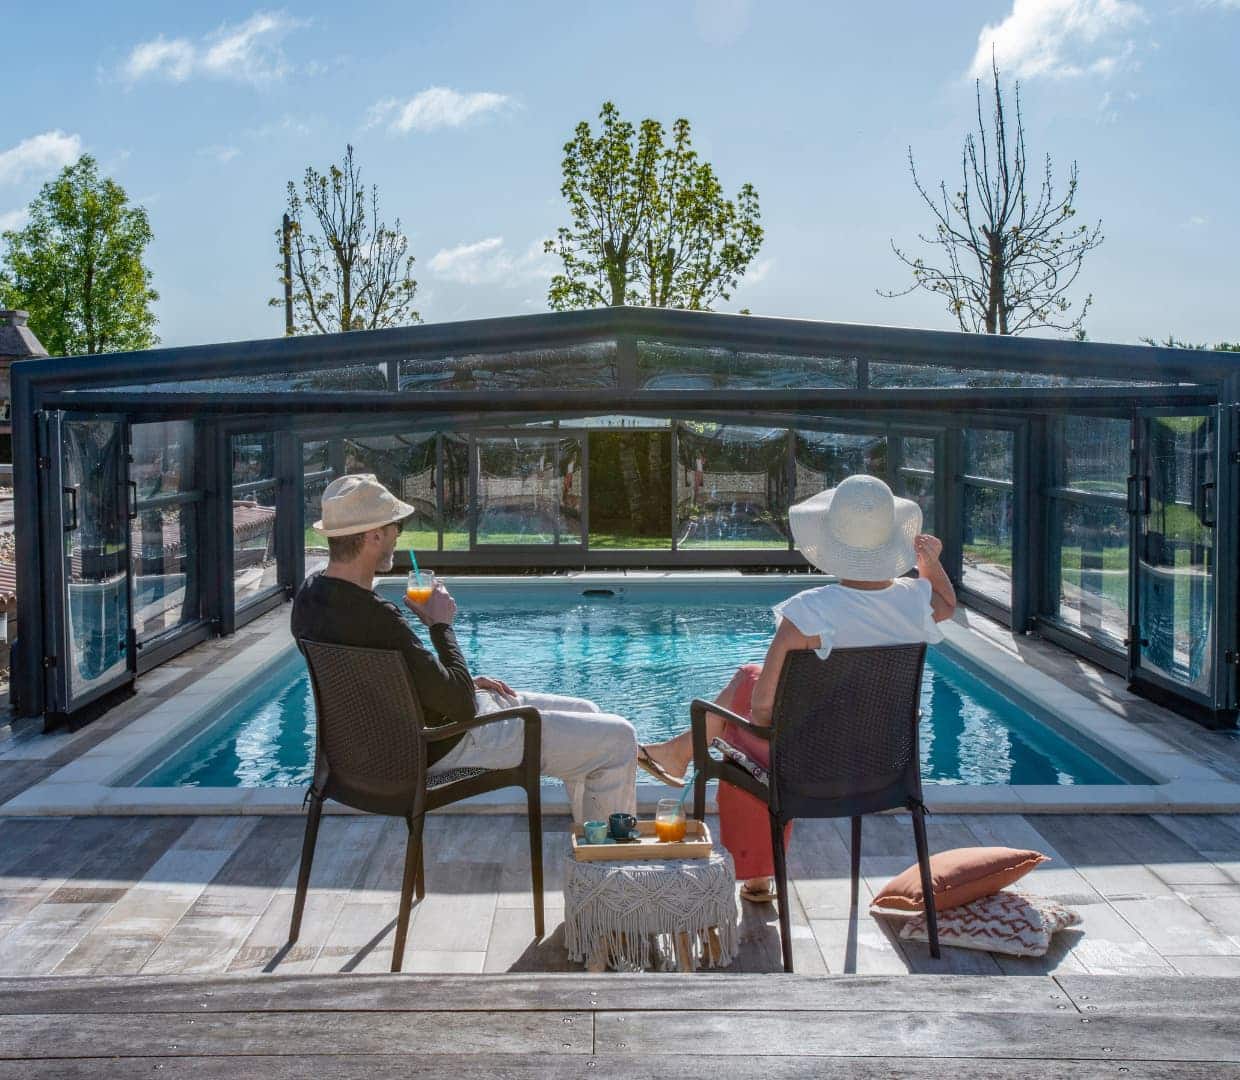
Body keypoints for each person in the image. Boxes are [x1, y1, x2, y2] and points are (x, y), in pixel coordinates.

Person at [639, 474, 956, 903]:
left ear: (833, 541)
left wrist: (745, 725)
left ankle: (755, 871)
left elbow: (764, 711)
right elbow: (946, 603)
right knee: (748, 681)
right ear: (890, 540)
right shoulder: (913, 601)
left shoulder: (810, 612)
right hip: (884, 769)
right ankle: (679, 753)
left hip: (810, 772)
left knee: (742, 741)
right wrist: (929, 562)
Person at [291, 473, 637, 825]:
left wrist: (462, 681)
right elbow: (462, 707)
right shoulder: (377, 619)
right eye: (395, 525)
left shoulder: (309, 601)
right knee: (618, 739)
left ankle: (592, 842)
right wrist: (441, 626)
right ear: (373, 535)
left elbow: (382, 689)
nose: (399, 534)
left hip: (378, 752)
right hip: (442, 742)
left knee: (588, 710)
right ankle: (605, 874)